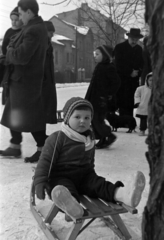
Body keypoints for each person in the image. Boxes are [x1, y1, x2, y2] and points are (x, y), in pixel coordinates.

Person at [33, 97, 146, 220]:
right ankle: (71, 206)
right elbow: (45, 161)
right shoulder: (58, 138)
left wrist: (93, 177)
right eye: (77, 117)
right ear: (67, 118)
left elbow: (90, 161)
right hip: (61, 176)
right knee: (64, 190)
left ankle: (124, 194)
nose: (82, 121)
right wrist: (40, 181)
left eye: (87, 118)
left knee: (100, 185)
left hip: (84, 176)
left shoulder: (89, 138)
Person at [0, 0, 48, 162]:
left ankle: (44, 148)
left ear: (28, 12)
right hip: (21, 80)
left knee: (31, 116)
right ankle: (15, 145)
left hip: (26, 82)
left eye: (20, 13)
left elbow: (21, 55)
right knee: (15, 113)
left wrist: (9, 52)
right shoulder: (32, 28)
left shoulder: (33, 30)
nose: (19, 17)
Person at [85, 45, 120, 149]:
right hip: (94, 97)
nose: (95, 56)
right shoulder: (99, 66)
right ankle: (103, 139)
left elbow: (116, 82)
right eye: (94, 54)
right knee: (94, 119)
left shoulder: (109, 67)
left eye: (97, 54)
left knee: (97, 119)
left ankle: (109, 135)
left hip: (101, 99)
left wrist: (108, 94)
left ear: (105, 55)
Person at [113, 28, 144, 117]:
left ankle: (129, 120)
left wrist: (138, 72)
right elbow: (118, 63)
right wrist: (129, 72)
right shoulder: (119, 47)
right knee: (122, 99)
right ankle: (122, 119)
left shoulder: (139, 49)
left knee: (131, 100)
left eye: (136, 40)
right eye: (132, 39)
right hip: (122, 78)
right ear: (128, 37)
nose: (134, 41)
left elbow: (141, 63)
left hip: (133, 80)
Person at [1, 7, 23, 105]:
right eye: (12, 20)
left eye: (16, 20)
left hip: (19, 68)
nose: (13, 22)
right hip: (8, 67)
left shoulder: (24, 32)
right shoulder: (9, 31)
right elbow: (4, 47)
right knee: (7, 93)